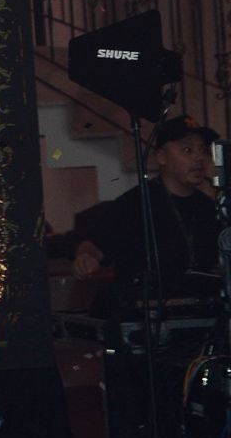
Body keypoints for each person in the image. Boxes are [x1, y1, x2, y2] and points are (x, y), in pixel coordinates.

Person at [71, 114, 221, 305]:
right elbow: (95, 245)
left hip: (200, 310)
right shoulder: (135, 203)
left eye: (203, 150)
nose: (199, 158)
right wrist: (86, 257)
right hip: (143, 310)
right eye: (187, 150)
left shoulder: (209, 207)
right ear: (161, 156)